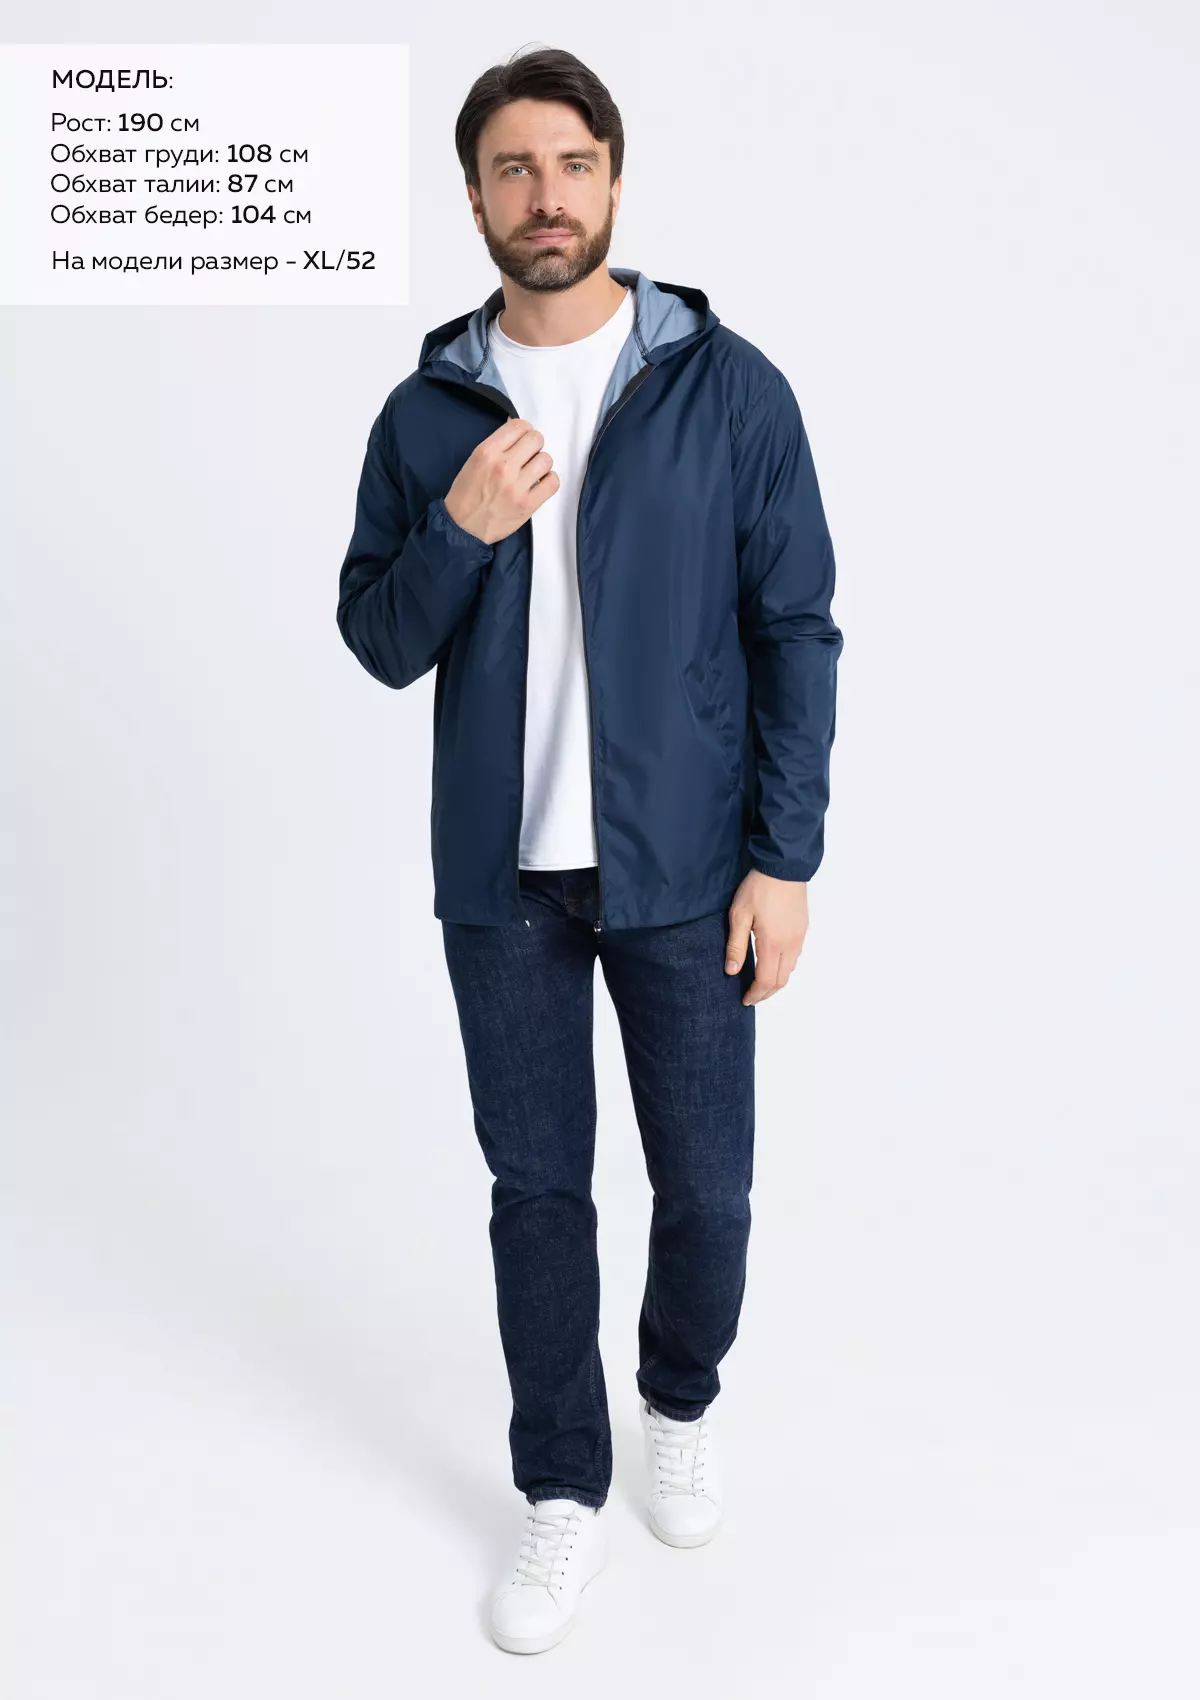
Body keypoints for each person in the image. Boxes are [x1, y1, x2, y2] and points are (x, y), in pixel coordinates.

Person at [335, 45, 843, 1656]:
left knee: (709, 1186)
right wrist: (461, 528)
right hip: (503, 887)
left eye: (570, 163)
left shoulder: (728, 389)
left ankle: (676, 1399)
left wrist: (784, 859)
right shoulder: (427, 414)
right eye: (513, 168)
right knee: (538, 1192)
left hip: (687, 871)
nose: (544, 196)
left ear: (614, 178)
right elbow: (378, 638)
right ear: (474, 195)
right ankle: (563, 1491)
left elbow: (795, 629)